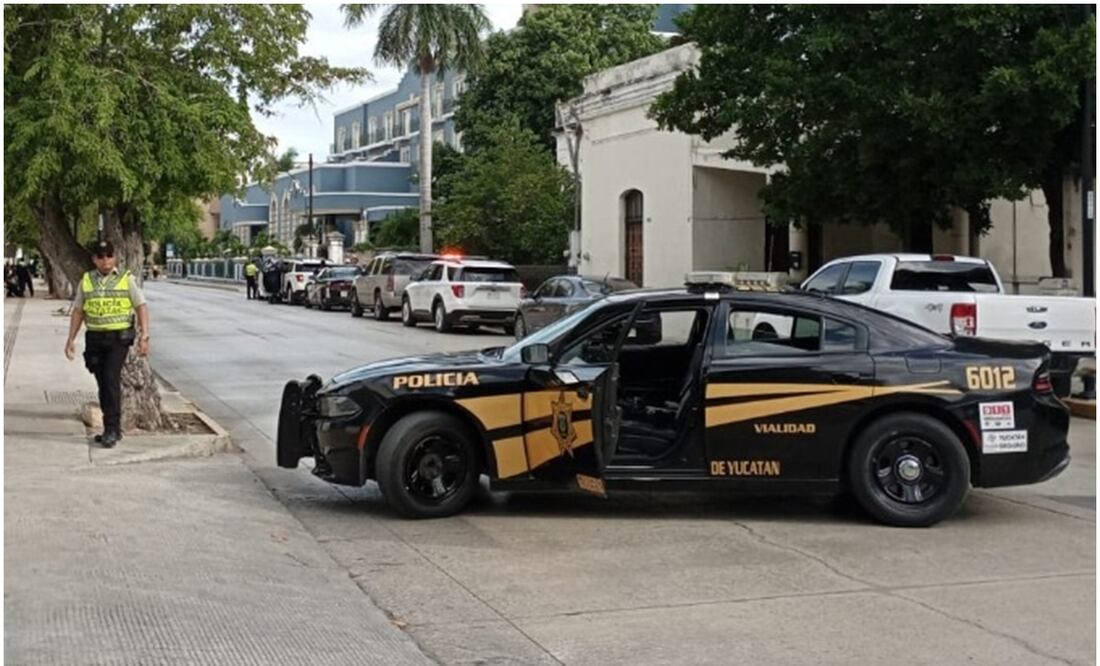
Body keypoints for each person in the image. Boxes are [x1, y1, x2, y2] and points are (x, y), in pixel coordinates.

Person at [64, 240, 150, 448]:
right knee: (103, 384)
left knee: (111, 380)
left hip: (118, 340)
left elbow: (141, 306)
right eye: (101, 257)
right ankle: (113, 428)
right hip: (94, 339)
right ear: (94, 259)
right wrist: (71, 339)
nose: (106, 261)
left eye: (109, 256)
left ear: (115, 257)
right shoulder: (86, 280)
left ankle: (111, 428)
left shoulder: (125, 279)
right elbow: (78, 310)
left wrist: (144, 335)